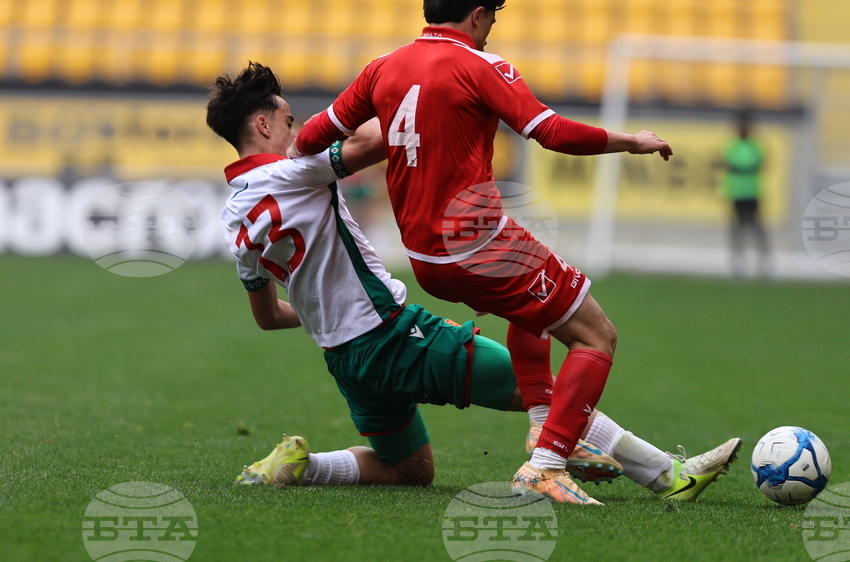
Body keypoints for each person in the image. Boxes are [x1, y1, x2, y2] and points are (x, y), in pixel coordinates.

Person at [289, 0, 741, 504]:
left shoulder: (382, 67)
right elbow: (549, 131)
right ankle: (546, 462)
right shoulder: (481, 67)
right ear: (478, 16)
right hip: (479, 244)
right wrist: (629, 140)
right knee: (596, 336)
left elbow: (312, 137)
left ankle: (567, 431)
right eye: (491, 20)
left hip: (425, 259)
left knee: (537, 311)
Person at [207, 62, 732, 502]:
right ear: (263, 125)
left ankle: (303, 465)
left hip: (344, 358)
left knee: (411, 472)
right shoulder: (295, 170)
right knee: (542, 394)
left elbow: (270, 317)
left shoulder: (234, 218)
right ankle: (666, 475)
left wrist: (328, 307)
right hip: (391, 333)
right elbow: (384, 137)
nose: (299, 133)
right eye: (290, 121)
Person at [723, 109, 771, 279]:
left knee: (757, 229)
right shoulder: (734, 146)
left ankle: (763, 263)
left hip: (751, 192)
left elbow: (748, 164)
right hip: (737, 193)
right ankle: (738, 264)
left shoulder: (754, 146)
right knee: (738, 230)